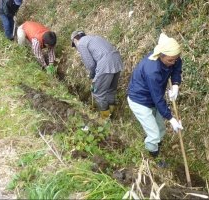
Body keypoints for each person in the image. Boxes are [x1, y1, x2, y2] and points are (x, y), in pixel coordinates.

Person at [127, 33, 184, 163]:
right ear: (160, 56)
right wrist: (171, 118)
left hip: (153, 98)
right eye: (170, 60)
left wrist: (175, 84)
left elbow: (176, 69)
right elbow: (158, 98)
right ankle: (152, 159)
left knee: (160, 128)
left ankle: (157, 147)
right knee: (154, 135)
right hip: (140, 100)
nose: (173, 62)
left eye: (175, 59)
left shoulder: (173, 57)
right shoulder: (152, 70)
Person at [71, 30, 124, 120]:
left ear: (75, 40)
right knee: (110, 90)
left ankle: (106, 118)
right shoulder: (95, 38)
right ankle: (112, 113)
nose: (76, 46)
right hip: (117, 60)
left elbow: (90, 64)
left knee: (98, 93)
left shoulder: (81, 44)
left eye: (74, 44)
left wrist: (93, 76)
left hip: (105, 63)